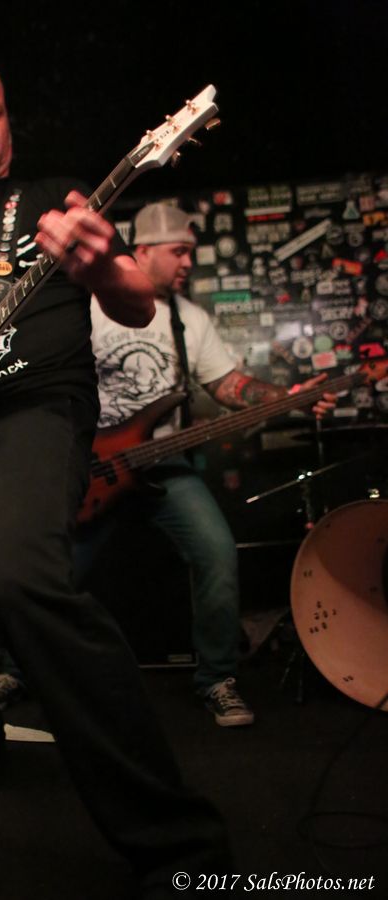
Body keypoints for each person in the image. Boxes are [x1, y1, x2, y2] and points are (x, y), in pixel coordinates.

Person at [0, 35, 230, 896]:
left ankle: (179, 845)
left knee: (21, 578)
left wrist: (100, 267)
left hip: (33, 411)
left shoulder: (55, 198)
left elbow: (136, 300)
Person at [75, 201, 336, 727]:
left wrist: (287, 398)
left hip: (164, 465)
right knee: (51, 567)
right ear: (142, 251)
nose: (188, 263)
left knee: (217, 553)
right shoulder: (87, 308)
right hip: (90, 470)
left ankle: (217, 678)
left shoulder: (188, 319)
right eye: (179, 252)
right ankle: (17, 669)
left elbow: (228, 385)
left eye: (191, 253)